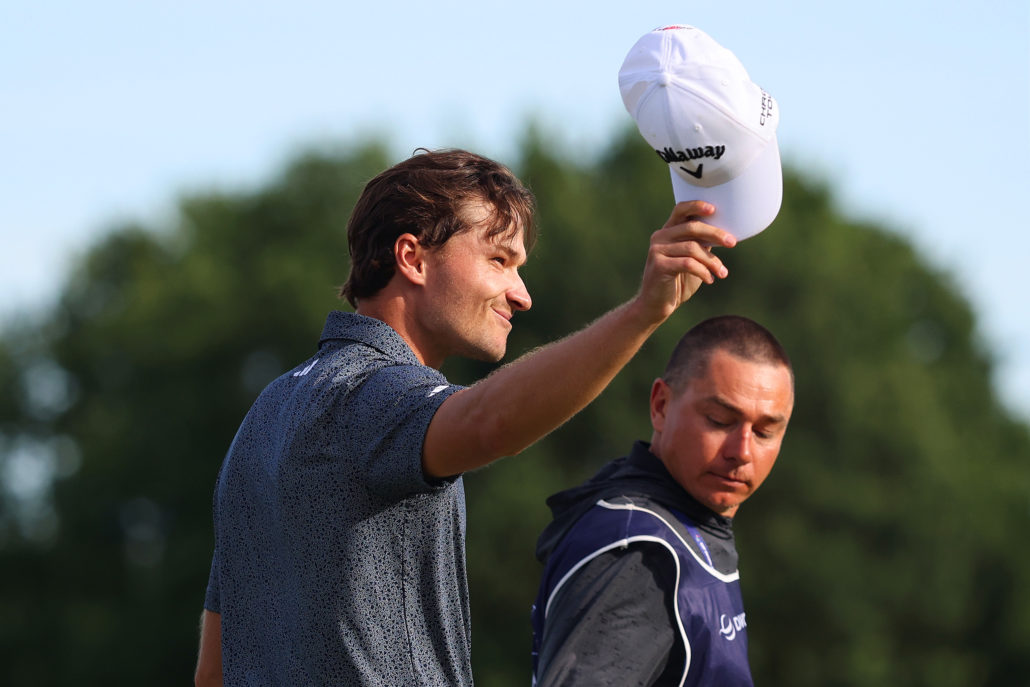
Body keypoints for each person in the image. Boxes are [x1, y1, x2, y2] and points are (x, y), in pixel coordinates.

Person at [194, 148, 736, 686]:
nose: (521, 295)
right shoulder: (374, 392)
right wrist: (644, 311)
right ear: (412, 258)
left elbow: (213, 672)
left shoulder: (262, 418)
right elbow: (489, 422)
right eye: (499, 260)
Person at [531, 315, 794, 687]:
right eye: (720, 420)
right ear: (661, 405)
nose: (742, 451)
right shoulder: (641, 553)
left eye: (765, 432)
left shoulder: (690, 522)